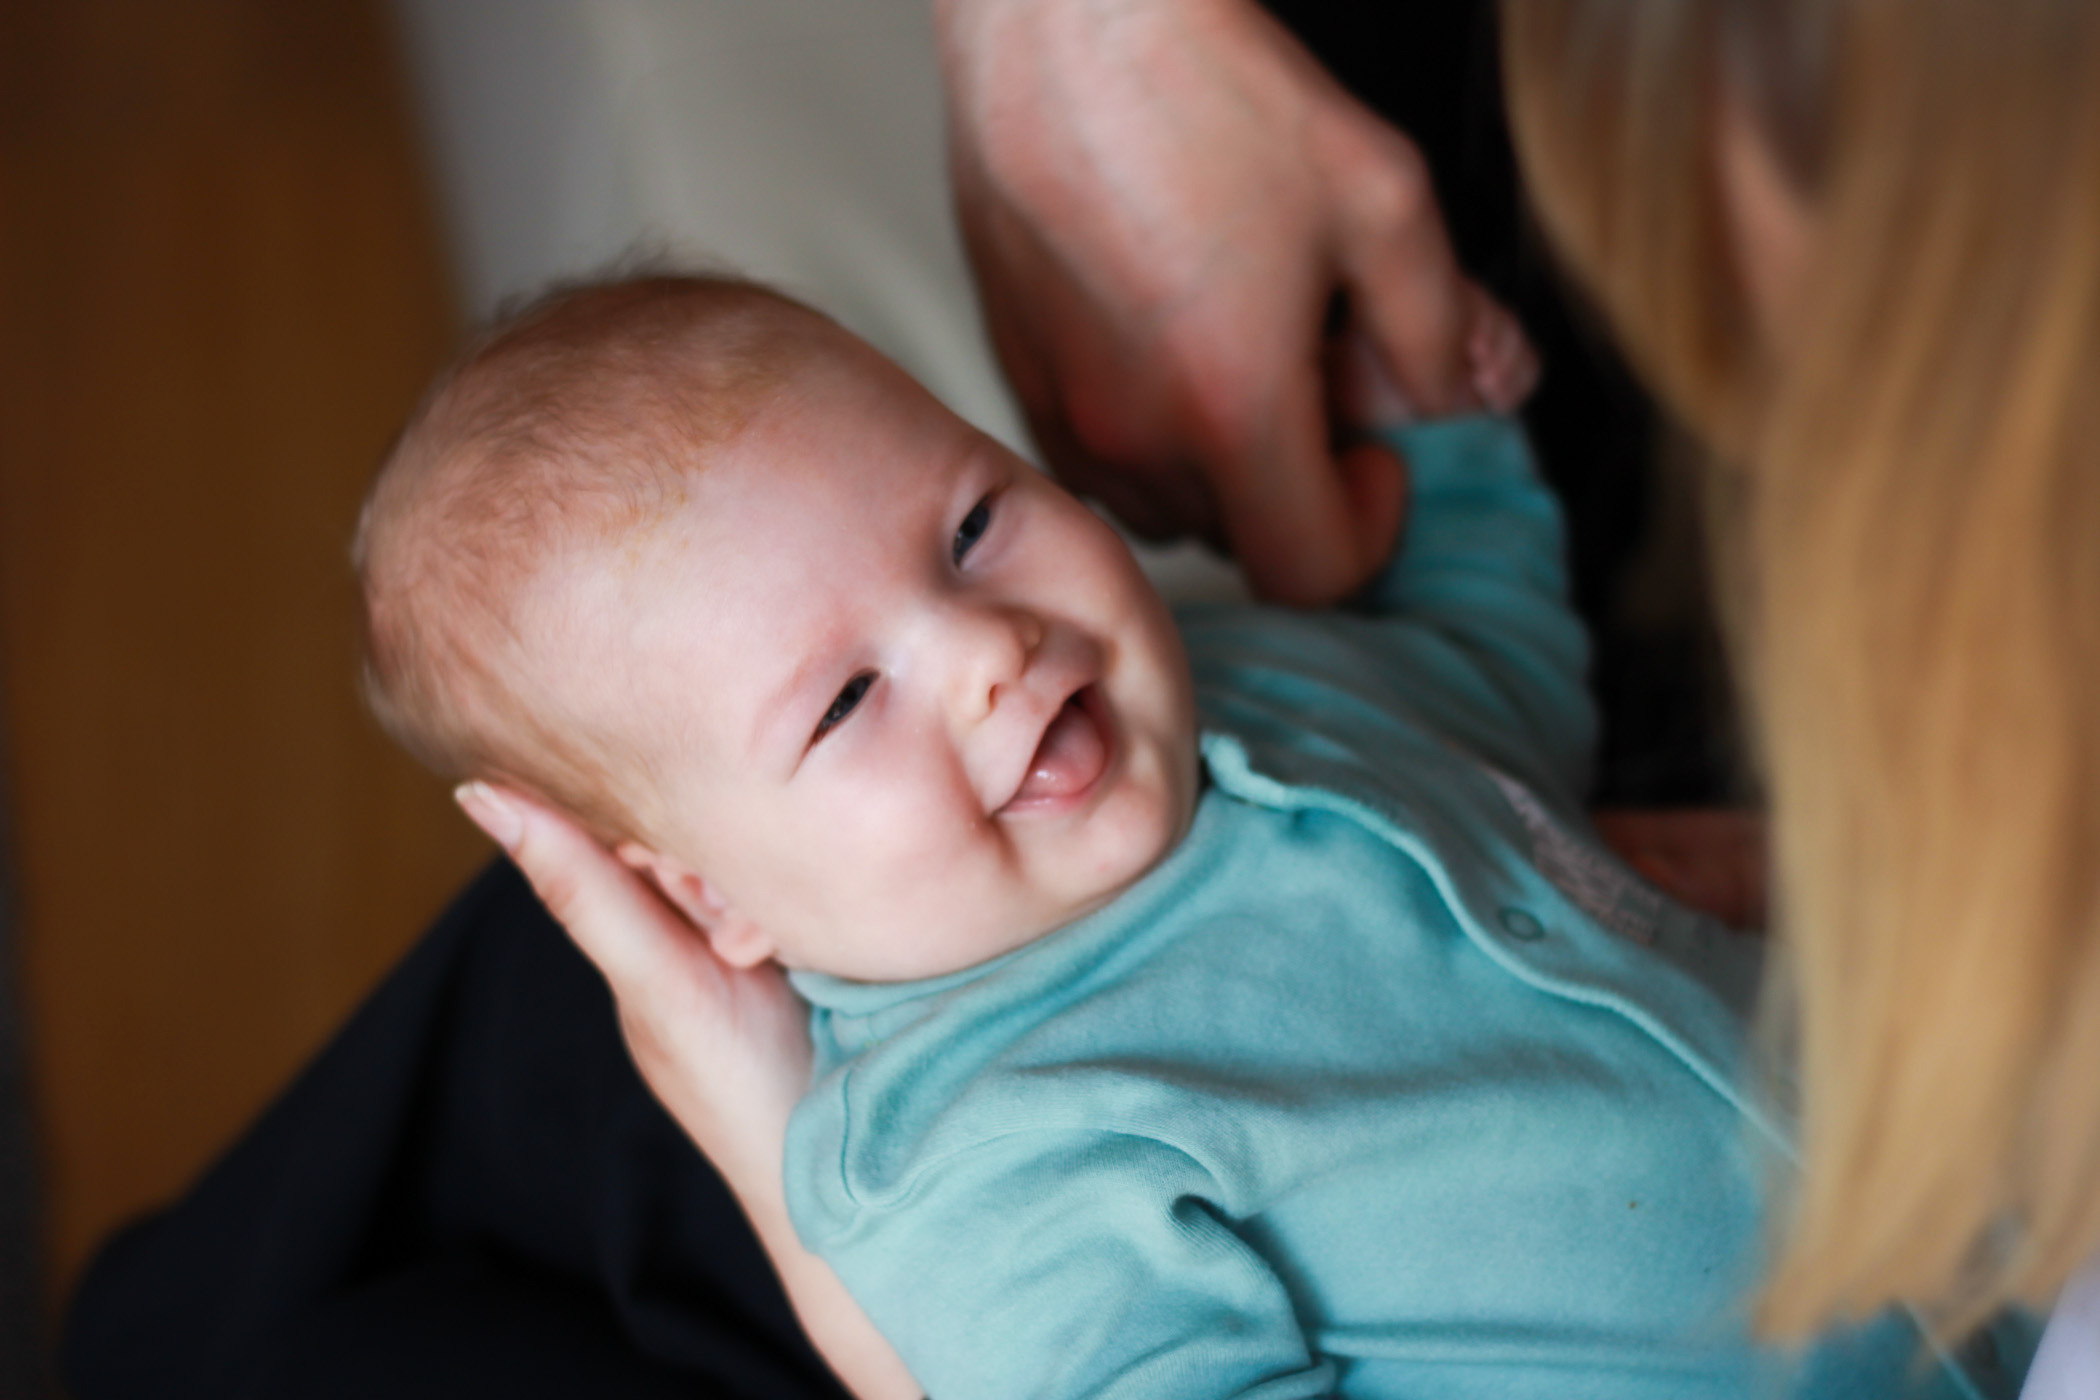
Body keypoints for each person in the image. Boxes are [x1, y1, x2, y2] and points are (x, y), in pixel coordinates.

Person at [484, 0, 2100, 1396]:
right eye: (843, 703)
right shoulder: (989, 1150)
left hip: (1985, 1223)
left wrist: (1439, 449)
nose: (981, 647)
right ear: (711, 899)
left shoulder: (1241, 681)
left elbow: (1488, 678)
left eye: (975, 524)